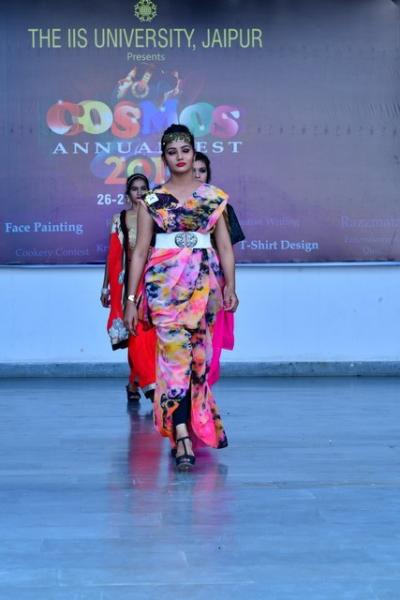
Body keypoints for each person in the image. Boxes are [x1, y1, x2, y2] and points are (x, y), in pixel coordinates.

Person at [124, 124, 239, 471]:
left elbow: (225, 248)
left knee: (197, 360)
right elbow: (140, 251)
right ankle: (182, 434)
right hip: (163, 286)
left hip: (204, 285)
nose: (180, 157)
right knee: (174, 359)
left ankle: (189, 426)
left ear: (193, 153)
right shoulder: (152, 200)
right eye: (172, 152)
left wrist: (231, 286)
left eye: (185, 150)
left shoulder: (214, 197)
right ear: (164, 158)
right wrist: (131, 299)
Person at [102, 174, 156, 405]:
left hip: (153, 280)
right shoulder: (120, 218)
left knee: (149, 331)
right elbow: (114, 255)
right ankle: (145, 381)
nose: (139, 192)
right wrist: (106, 286)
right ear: (128, 193)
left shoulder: (157, 215)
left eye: (144, 188)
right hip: (128, 282)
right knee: (134, 329)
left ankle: (136, 382)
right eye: (135, 189)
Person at [193, 151, 245, 385]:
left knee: (211, 342)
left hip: (214, 283)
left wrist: (230, 287)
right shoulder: (170, 207)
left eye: (202, 170)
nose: (197, 175)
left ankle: (203, 394)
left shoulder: (220, 206)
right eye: (193, 170)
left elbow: (226, 250)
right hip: (178, 283)